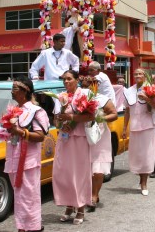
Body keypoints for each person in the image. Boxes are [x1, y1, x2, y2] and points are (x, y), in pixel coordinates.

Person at [53, 70, 96, 225]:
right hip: (64, 138)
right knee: (63, 172)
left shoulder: (84, 94)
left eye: (69, 79)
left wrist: (71, 117)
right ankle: (68, 205)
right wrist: (60, 118)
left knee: (79, 173)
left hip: (79, 139)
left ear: (77, 80)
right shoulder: (60, 96)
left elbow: (91, 116)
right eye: (64, 79)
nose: (66, 82)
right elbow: (56, 119)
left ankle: (81, 208)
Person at [4, 77, 47, 232]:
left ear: (24, 91)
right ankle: (22, 228)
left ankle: (34, 227)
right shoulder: (13, 110)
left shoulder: (36, 111)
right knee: (20, 198)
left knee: (29, 197)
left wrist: (20, 132)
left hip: (28, 162)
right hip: (13, 159)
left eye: (15, 88)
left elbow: (40, 136)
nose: (12, 91)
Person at [122, 69, 155, 196]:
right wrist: (124, 128)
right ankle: (140, 179)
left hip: (148, 127)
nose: (138, 75)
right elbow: (127, 111)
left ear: (145, 76)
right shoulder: (128, 91)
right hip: (134, 127)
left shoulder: (151, 89)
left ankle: (144, 182)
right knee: (137, 156)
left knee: (146, 156)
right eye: (136, 73)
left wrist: (147, 98)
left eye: (140, 74)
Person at [86, 79, 118, 212]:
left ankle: (94, 195)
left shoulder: (103, 99)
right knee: (86, 169)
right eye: (85, 83)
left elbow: (114, 114)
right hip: (84, 135)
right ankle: (85, 194)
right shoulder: (80, 98)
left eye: (93, 83)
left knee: (98, 169)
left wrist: (101, 118)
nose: (89, 85)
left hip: (100, 135)